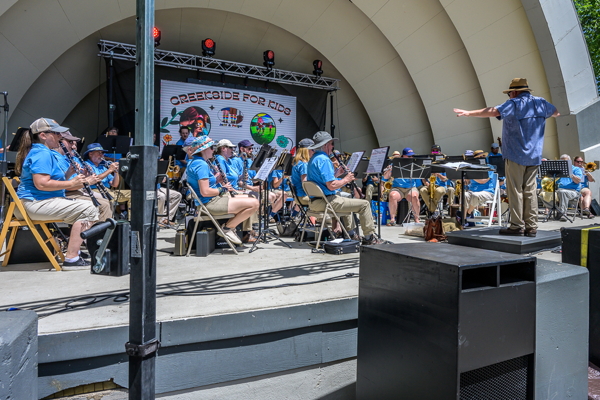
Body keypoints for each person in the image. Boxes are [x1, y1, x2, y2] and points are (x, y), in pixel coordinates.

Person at [454, 77, 559, 237]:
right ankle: (532, 226)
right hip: (534, 155)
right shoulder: (541, 103)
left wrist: (468, 113)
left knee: (515, 190)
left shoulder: (515, 103)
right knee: (530, 191)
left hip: (516, 154)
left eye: (509, 94)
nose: (509, 97)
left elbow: (494, 111)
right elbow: (556, 112)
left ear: (515, 92)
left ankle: (517, 226)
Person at [15, 118, 99, 267]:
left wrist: (68, 175)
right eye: (56, 133)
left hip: (35, 202)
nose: (60, 136)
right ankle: (72, 257)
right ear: (43, 135)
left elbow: (48, 181)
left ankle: (75, 250)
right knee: (89, 209)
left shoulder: (43, 152)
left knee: (87, 206)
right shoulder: (42, 154)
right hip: (34, 204)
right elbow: (41, 184)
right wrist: (72, 183)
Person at [307, 131, 384, 245]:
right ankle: (369, 238)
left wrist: (337, 174)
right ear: (326, 144)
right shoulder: (324, 160)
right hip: (326, 201)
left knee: (348, 196)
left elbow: (323, 181)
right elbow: (332, 186)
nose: (333, 146)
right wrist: (346, 179)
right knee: (364, 205)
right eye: (332, 143)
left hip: (316, 201)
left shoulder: (314, 158)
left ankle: (351, 234)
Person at [186, 136, 259, 245]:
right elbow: (205, 192)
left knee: (251, 197)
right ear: (204, 150)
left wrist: (216, 180)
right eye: (211, 148)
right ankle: (228, 228)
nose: (213, 150)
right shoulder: (201, 164)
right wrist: (222, 189)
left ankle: (240, 230)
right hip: (210, 203)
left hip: (211, 200)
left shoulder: (198, 162)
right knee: (254, 203)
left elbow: (203, 185)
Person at [55, 131, 113, 222]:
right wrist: (87, 181)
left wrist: (85, 176)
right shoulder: (57, 158)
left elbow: (74, 180)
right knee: (103, 205)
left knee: (108, 201)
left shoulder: (72, 158)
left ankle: (104, 230)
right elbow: (69, 185)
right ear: (60, 141)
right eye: (70, 143)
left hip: (76, 190)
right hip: (68, 193)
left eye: (75, 144)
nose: (74, 147)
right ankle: (98, 232)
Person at [83, 143, 131, 219]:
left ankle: (131, 221)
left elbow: (114, 184)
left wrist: (116, 172)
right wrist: (110, 170)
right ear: (90, 154)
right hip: (95, 191)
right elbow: (94, 179)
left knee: (132, 194)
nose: (102, 155)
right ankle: (108, 221)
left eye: (102, 153)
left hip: (108, 190)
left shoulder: (102, 167)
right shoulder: (86, 165)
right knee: (109, 200)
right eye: (99, 153)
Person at [382, 147, 422, 225]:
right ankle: (392, 219)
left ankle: (416, 218)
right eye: (409, 156)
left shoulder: (414, 165)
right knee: (392, 196)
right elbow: (385, 178)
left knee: (414, 196)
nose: (411, 158)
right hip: (397, 188)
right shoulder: (394, 164)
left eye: (412, 156)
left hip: (410, 188)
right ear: (403, 156)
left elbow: (418, 182)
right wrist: (389, 170)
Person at [555, 154, 583, 220]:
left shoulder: (576, 169)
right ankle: (556, 210)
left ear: (570, 161)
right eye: (562, 161)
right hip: (559, 190)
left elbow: (577, 181)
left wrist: (571, 173)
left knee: (562, 192)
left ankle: (563, 213)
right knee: (543, 194)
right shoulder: (558, 170)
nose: (563, 163)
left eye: (565, 161)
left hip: (573, 191)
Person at [290, 139, 315, 205]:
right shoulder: (304, 164)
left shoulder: (298, 162)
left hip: (299, 196)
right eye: (312, 150)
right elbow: (305, 183)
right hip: (303, 196)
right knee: (325, 201)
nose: (313, 152)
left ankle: (295, 215)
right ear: (307, 151)